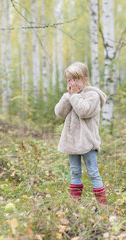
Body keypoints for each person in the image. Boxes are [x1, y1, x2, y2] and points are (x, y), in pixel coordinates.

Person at [54, 62, 107, 205]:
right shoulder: (70, 96)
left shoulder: (93, 95)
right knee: (75, 172)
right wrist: (68, 97)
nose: (72, 83)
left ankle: (103, 208)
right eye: (69, 80)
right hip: (72, 142)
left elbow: (84, 111)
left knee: (93, 173)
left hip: (87, 142)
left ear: (84, 79)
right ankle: (74, 205)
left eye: (75, 79)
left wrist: (75, 96)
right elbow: (59, 113)